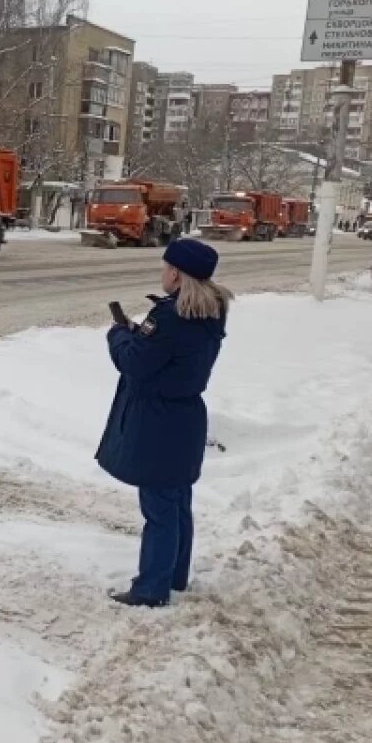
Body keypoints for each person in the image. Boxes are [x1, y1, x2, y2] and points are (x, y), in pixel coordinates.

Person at [95, 239, 233, 608]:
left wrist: (119, 334)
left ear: (176, 274)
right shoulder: (209, 312)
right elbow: (165, 353)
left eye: (165, 267)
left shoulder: (170, 317)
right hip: (185, 418)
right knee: (176, 502)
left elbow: (135, 365)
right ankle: (174, 576)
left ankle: (151, 588)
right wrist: (142, 335)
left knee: (159, 508)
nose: (162, 272)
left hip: (158, 421)